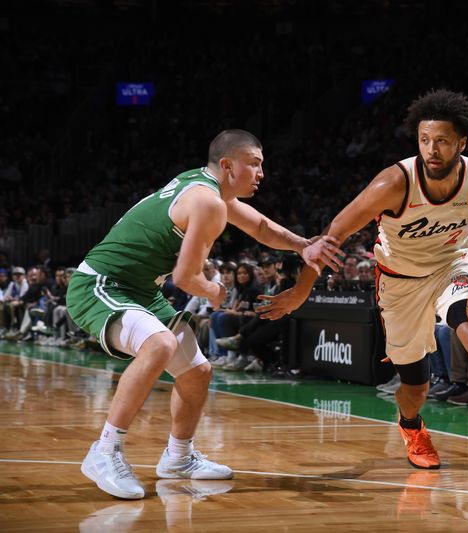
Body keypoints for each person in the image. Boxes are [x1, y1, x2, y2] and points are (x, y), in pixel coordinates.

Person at [261, 90, 468, 481]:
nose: (432, 149)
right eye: (425, 140)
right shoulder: (393, 183)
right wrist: (301, 291)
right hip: (399, 282)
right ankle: (411, 426)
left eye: (442, 141)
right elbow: (331, 237)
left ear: (461, 143)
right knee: (415, 388)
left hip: (453, 266)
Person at [66, 129, 342, 499]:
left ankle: (178, 457)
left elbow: (260, 226)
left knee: (197, 371)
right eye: (254, 164)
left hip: (139, 291)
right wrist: (214, 290)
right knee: (160, 344)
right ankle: (104, 451)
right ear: (228, 165)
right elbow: (185, 278)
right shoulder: (208, 202)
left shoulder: (207, 189)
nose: (262, 173)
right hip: (100, 285)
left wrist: (303, 246)